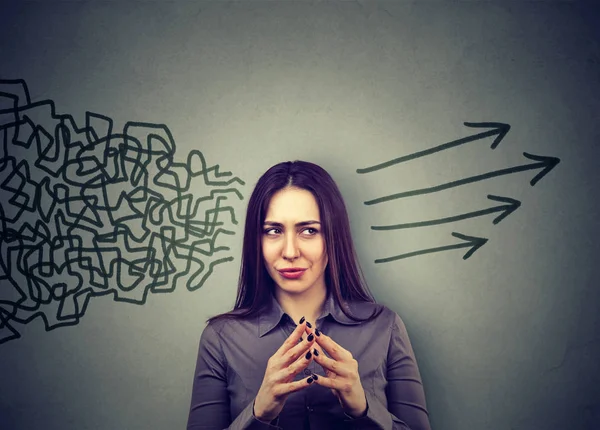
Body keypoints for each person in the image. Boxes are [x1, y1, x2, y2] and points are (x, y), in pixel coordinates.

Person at [186, 161, 431, 429]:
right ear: (257, 240)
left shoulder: (384, 327)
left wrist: (364, 408)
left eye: (309, 230)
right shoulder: (220, 338)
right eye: (274, 231)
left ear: (333, 237)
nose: (290, 252)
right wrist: (258, 413)